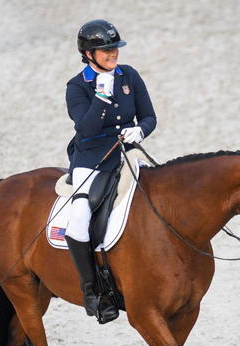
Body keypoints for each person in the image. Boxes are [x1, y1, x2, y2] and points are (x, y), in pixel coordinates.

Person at [64, 19, 157, 321]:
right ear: (89, 54)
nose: (113, 53)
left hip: (126, 155)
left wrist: (140, 132)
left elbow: (149, 117)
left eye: (115, 47)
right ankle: (92, 293)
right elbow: (85, 130)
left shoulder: (129, 75)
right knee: (79, 220)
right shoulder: (77, 87)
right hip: (91, 160)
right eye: (106, 49)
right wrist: (101, 97)